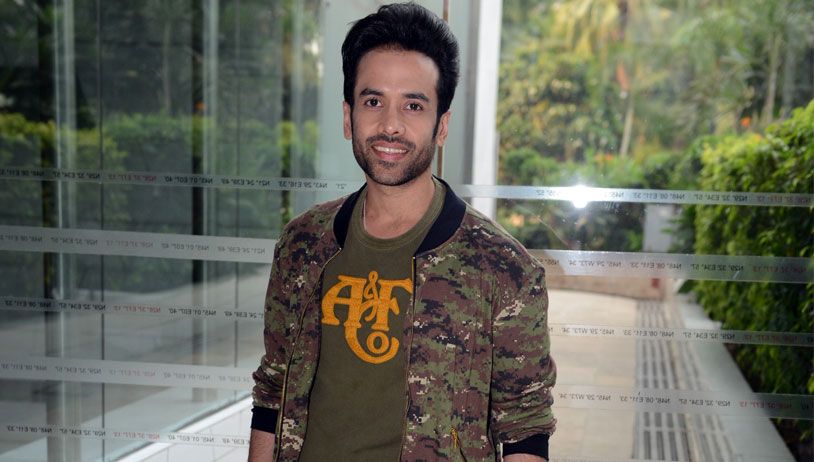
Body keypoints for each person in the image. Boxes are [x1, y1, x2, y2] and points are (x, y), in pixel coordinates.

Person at [249, 3, 555, 461]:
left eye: (413, 105)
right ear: (349, 117)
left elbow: (524, 427)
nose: (390, 125)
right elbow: (273, 391)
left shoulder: (503, 269)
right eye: (373, 102)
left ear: (442, 126)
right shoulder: (302, 244)